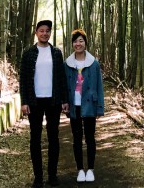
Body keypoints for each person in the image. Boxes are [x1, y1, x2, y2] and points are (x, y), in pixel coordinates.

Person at [19, 20, 69, 188]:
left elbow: (62, 78)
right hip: (35, 101)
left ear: (50, 33)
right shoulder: (28, 53)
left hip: (53, 100)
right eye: (41, 31)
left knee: (53, 137)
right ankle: (38, 177)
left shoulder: (56, 53)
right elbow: (24, 80)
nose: (45, 33)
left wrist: (65, 100)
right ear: (36, 33)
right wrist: (24, 102)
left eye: (47, 31)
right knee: (35, 138)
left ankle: (52, 175)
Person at [64, 28, 104, 184]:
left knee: (90, 138)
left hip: (89, 105)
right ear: (72, 44)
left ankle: (91, 169)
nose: (78, 44)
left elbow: (99, 86)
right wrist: (64, 102)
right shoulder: (67, 63)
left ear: (86, 43)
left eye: (81, 40)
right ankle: (80, 169)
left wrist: (100, 107)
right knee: (76, 138)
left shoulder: (93, 63)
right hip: (75, 105)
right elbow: (64, 85)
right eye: (75, 41)